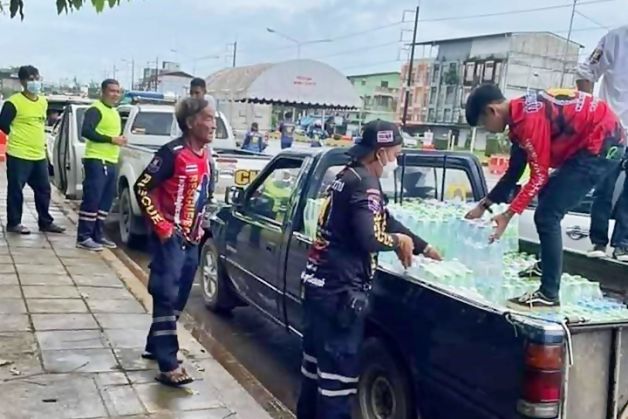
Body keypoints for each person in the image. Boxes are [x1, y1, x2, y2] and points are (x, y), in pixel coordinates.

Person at [296, 119, 442, 419]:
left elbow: (383, 219)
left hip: (317, 287)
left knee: (314, 375)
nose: (396, 161)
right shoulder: (366, 184)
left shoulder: (347, 175)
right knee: (337, 386)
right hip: (339, 295)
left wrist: (423, 246)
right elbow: (369, 236)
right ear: (380, 153)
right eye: (395, 154)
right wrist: (397, 242)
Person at [464, 84, 625, 310]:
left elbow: (538, 176)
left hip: (604, 144)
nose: (487, 130)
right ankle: (545, 265)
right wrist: (484, 206)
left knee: (547, 214)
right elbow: (514, 173)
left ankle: (548, 294)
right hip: (593, 139)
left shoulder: (529, 122)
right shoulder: (520, 116)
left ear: (492, 111)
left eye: (484, 124)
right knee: (547, 195)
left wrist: (508, 215)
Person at [134, 97, 214, 386]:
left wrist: (201, 225)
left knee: (179, 297)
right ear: (191, 122)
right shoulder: (171, 154)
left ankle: (155, 345)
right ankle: (169, 364)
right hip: (171, 239)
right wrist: (162, 226)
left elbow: (202, 195)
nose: (213, 124)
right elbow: (142, 187)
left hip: (191, 240)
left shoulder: (205, 155)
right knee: (165, 294)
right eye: (208, 118)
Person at [576, 25, 628, 262]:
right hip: (612, 128)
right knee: (604, 187)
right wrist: (590, 113)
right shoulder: (615, 38)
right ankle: (598, 241)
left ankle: (623, 244)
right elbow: (585, 71)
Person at [0, 65, 65, 235]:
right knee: (16, 190)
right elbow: (3, 124)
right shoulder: (13, 102)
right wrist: (18, 135)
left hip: (38, 154)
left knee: (44, 189)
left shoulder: (43, 102)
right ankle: (14, 223)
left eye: (37, 78)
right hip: (18, 153)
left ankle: (45, 222)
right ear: (22, 81)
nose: (34, 82)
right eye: (30, 79)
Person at [76, 79, 127, 251]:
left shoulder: (114, 112)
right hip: (97, 160)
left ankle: (97, 234)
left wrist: (119, 140)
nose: (115, 95)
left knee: (106, 200)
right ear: (103, 92)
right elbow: (86, 131)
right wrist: (111, 139)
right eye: (112, 91)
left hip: (111, 160)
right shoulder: (95, 109)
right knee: (93, 199)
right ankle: (84, 236)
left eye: (118, 91)